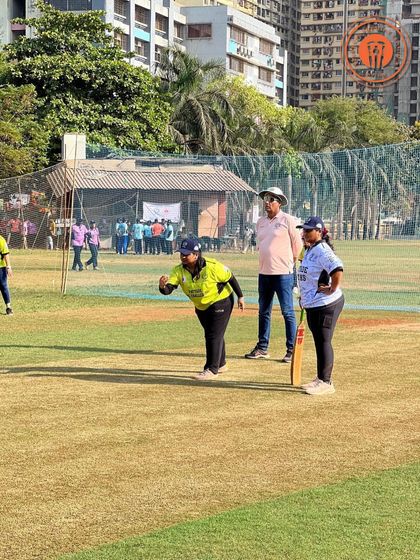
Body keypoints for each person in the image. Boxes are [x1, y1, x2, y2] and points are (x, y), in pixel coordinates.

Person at [159, 238, 244, 381]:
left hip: (221, 301)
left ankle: (211, 369)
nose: (183, 257)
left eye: (187, 254)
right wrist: (162, 286)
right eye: (181, 254)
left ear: (196, 254)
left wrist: (240, 296)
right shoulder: (178, 270)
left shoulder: (212, 266)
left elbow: (230, 277)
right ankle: (221, 364)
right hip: (201, 306)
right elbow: (169, 289)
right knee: (214, 333)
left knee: (213, 335)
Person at [245, 187, 302, 363]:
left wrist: (291, 266)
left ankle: (291, 350)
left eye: (271, 199)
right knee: (263, 312)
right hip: (264, 273)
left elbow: (297, 246)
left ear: (279, 202)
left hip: (283, 274)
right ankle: (262, 347)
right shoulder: (260, 222)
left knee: (287, 312)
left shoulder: (288, 220)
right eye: (266, 199)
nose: (267, 203)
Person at [296, 217, 344, 395]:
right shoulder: (310, 249)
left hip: (326, 304)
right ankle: (320, 377)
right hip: (313, 304)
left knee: (324, 341)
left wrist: (332, 288)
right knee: (318, 340)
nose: (304, 233)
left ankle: (326, 382)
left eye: (308, 230)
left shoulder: (322, 250)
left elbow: (337, 268)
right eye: (303, 230)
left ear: (319, 232)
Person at [0, 234, 13, 315]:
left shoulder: (1, 239)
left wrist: (8, 267)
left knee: (3, 286)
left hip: (1, 267)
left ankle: (8, 307)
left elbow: (6, 253)